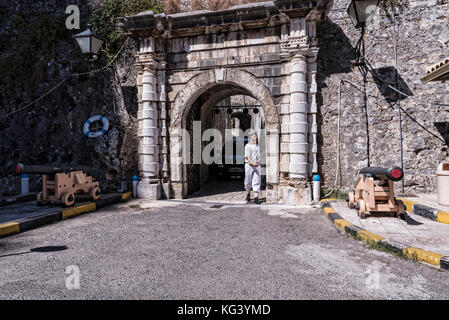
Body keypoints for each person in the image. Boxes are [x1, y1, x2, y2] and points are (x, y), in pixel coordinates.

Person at [244, 132, 262, 205]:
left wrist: (258, 163)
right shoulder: (247, 146)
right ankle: (248, 193)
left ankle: (256, 198)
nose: (256, 137)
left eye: (256, 136)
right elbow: (247, 157)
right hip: (249, 165)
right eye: (254, 136)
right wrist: (252, 163)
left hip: (256, 165)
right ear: (251, 137)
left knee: (256, 180)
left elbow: (259, 156)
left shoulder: (257, 146)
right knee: (248, 180)